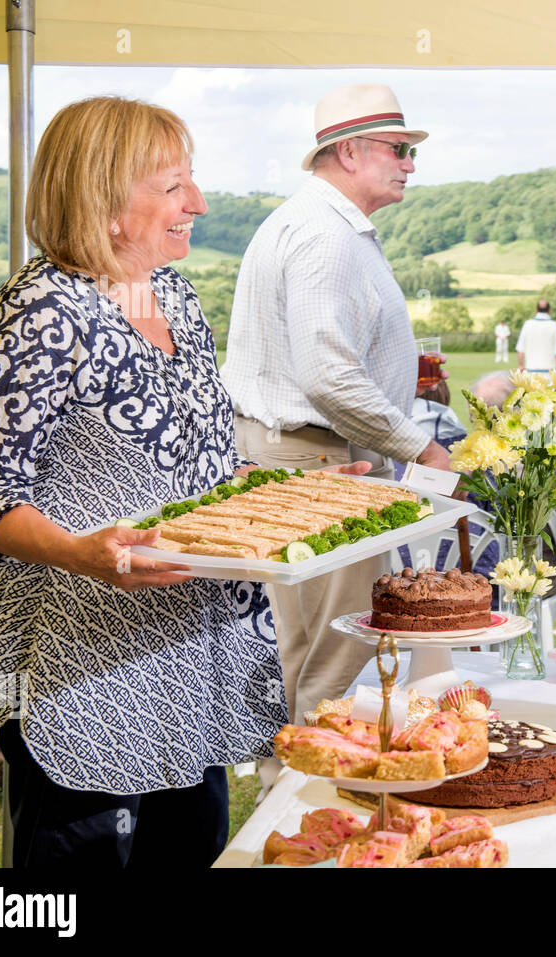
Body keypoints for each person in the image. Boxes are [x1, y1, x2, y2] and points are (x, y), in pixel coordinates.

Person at [0, 96, 360, 867]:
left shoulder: (170, 294)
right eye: (174, 186)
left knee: (194, 846)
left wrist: (308, 492)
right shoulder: (38, 312)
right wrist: (82, 551)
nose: (197, 203)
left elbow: (196, 463)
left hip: (186, 648)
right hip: (81, 663)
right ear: (105, 203)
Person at [222, 83, 443, 730]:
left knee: (305, 642)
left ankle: (288, 794)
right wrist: (421, 446)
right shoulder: (328, 236)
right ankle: (319, 795)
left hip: (297, 449)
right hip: (320, 456)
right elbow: (327, 376)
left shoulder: (313, 222)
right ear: (349, 152)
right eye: (399, 149)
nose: (410, 163)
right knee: (343, 643)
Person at [515, 299, 556, 373]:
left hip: (531, 371)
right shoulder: (554, 325)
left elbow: (520, 349)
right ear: (549, 310)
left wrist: (521, 365)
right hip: (550, 372)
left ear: (536, 310)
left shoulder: (527, 324)